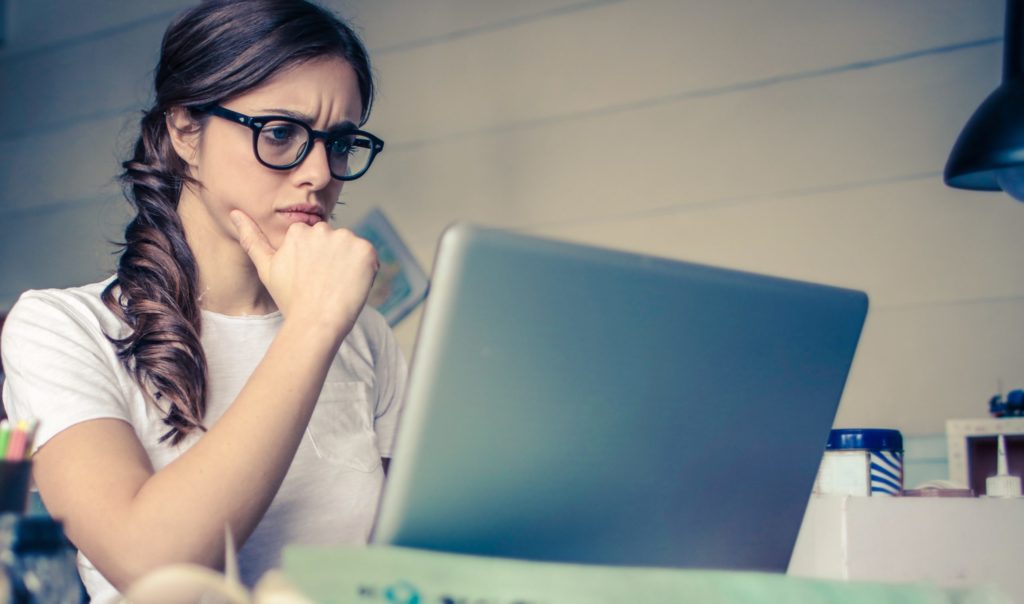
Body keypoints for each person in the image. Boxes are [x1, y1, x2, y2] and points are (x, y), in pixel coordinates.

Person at [0, 1, 405, 601]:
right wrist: (313, 327)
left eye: (340, 142)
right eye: (280, 132)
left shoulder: (365, 336)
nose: (319, 172)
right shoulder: (61, 328)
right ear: (185, 130)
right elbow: (149, 563)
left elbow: (418, 558)